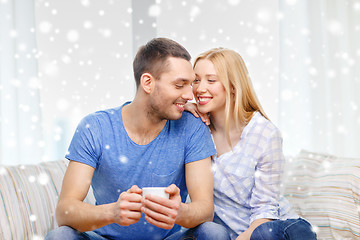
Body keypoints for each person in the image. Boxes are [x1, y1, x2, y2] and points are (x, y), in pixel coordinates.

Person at [45, 38, 230, 240]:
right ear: (148, 82)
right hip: (105, 238)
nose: (189, 95)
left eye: (190, 84)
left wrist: (181, 212)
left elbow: (205, 209)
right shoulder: (95, 128)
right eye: (179, 85)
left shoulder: (191, 126)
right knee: (60, 236)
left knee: (213, 233)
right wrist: (112, 213)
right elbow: (65, 211)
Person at [185, 48, 317, 240]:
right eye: (196, 80)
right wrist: (183, 110)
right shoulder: (196, 129)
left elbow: (265, 211)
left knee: (263, 234)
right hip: (235, 233)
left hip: (279, 228)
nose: (199, 88)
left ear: (232, 86)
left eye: (211, 80)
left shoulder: (265, 134)